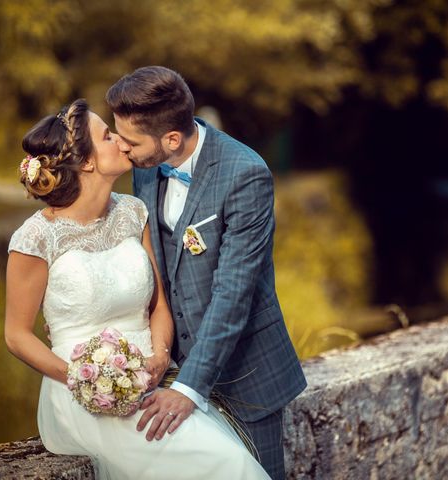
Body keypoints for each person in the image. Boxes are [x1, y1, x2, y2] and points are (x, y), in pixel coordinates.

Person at [5, 98, 271, 480]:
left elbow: (158, 303)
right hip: (85, 394)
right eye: (107, 135)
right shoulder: (34, 238)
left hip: (155, 379)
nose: (121, 141)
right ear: (86, 162)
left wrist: (161, 356)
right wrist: (84, 379)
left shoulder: (133, 212)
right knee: (228, 466)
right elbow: (16, 335)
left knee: (229, 459)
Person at [106, 66, 307, 479]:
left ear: (172, 139)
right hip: (171, 370)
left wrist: (188, 388)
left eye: (130, 141)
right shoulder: (145, 166)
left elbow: (234, 292)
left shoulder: (245, 174)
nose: (121, 148)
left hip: (248, 375)